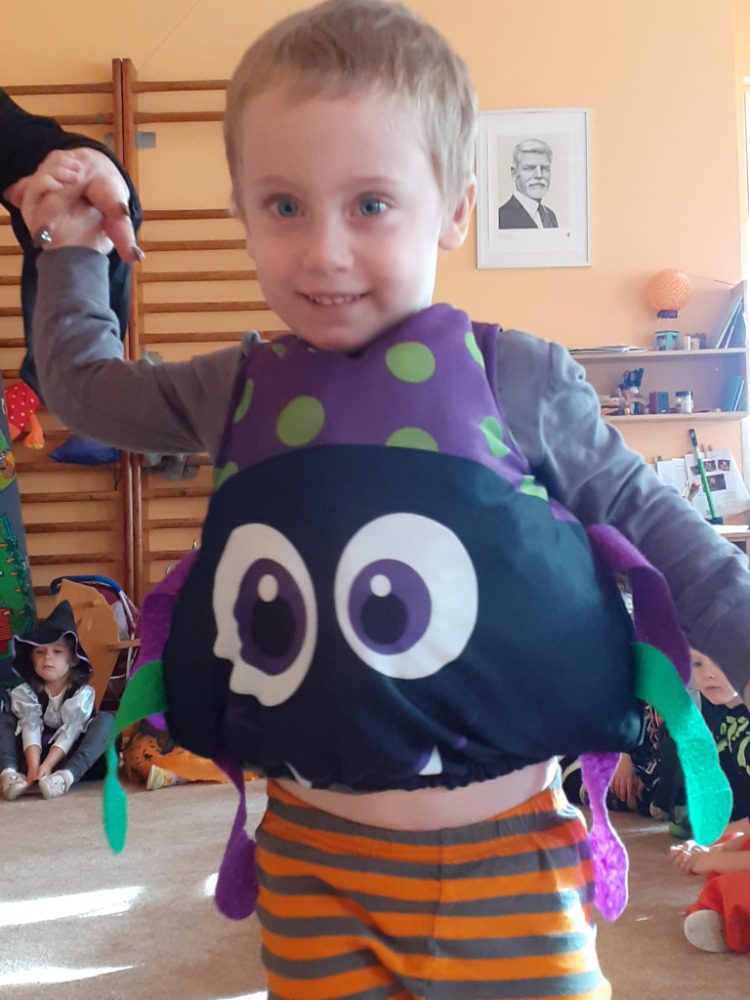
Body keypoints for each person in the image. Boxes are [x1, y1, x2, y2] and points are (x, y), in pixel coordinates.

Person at [11, 1, 750, 996]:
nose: (324, 250)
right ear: (242, 213)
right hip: (313, 865)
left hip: (508, 861)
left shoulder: (516, 376)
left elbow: (668, 536)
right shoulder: (236, 385)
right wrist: (71, 246)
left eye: (370, 204)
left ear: (455, 207)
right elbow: (85, 390)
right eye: (284, 206)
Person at [0, 601, 114, 800]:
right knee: (4, 719)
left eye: (57, 652)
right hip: (32, 752)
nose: (48, 658)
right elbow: (30, 725)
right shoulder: (26, 692)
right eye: (40, 652)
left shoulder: (81, 693)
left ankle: (65, 777)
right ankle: (9, 774)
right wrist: (34, 765)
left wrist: (48, 765)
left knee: (107, 721)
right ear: (32, 659)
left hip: (70, 753)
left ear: (73, 659)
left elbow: (71, 731)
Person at [497, 137, 559, 229]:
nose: (539, 175)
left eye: (545, 168)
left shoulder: (550, 216)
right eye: (529, 168)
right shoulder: (501, 218)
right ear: (514, 173)